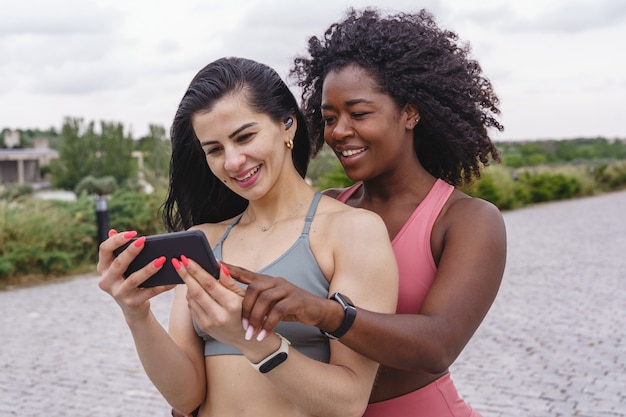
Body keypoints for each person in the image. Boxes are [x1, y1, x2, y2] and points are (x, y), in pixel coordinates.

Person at [225, 8, 507, 417]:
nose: (339, 132)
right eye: (328, 118)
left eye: (358, 114)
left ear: (410, 112)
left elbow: (438, 345)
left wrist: (323, 312)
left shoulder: (467, 221)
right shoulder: (329, 209)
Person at [98, 56, 398, 417]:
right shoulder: (204, 240)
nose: (233, 161)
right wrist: (136, 314)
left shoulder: (352, 231)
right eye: (215, 149)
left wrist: (249, 340)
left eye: (245, 136)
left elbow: (348, 402)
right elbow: (186, 397)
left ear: (287, 125)